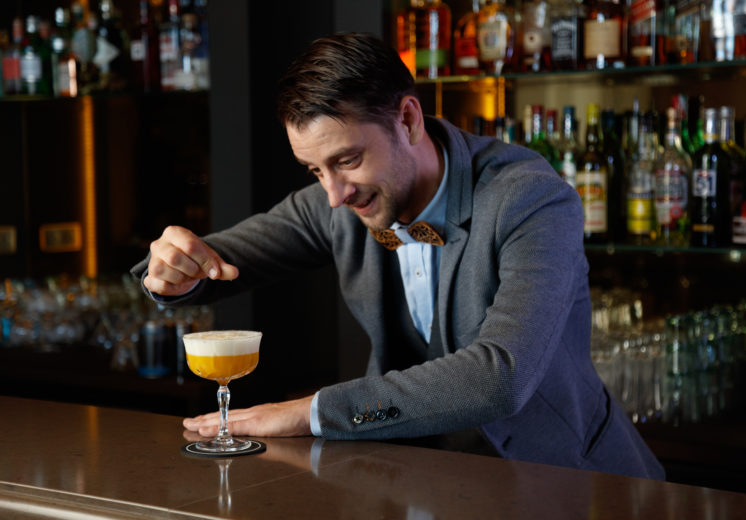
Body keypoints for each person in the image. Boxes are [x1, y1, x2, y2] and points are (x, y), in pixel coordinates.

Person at [132, 33, 664, 480]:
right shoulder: (339, 201)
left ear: (408, 119)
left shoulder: (528, 197)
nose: (334, 194)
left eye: (347, 160)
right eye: (314, 170)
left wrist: (310, 412)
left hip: (564, 480)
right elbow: (214, 258)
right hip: (423, 480)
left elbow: (501, 377)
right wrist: (171, 269)